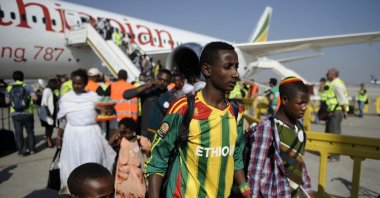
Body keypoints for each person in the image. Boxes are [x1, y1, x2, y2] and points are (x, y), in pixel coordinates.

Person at [146, 42, 250, 198]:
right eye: (228, 67)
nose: (235, 73)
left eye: (236, 67)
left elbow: (235, 156)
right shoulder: (182, 109)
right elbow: (157, 159)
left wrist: (245, 189)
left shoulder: (235, 113)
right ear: (207, 70)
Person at [247, 76, 314, 197]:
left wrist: (308, 191)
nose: (304, 108)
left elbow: (299, 163)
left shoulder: (298, 126)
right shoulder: (268, 127)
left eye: (306, 103)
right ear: (285, 100)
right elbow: (255, 170)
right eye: (300, 103)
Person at [56, 69, 116, 192]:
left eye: (80, 83)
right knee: (72, 164)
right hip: (72, 135)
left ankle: (93, 190)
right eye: (74, 83)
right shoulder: (66, 98)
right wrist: (59, 137)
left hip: (91, 134)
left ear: (85, 83)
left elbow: (106, 113)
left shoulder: (93, 97)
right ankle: (75, 191)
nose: (77, 86)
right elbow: (62, 121)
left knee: (92, 162)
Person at [123, 69, 175, 141]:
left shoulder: (171, 98)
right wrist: (146, 86)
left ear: (169, 82)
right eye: (160, 79)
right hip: (144, 135)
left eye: (165, 81)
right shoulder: (147, 91)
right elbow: (126, 95)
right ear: (157, 78)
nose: (162, 82)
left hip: (159, 136)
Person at [109, 117, 151, 198]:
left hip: (138, 177)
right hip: (122, 179)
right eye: (125, 133)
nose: (127, 135)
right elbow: (109, 143)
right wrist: (118, 131)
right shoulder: (121, 140)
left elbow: (149, 149)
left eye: (129, 132)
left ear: (133, 130)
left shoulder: (140, 140)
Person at [5, 71, 37, 156]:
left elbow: (7, 101)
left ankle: (22, 151)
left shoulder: (9, 88)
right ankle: (32, 149)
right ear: (23, 77)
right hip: (27, 113)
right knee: (30, 131)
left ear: (13, 78)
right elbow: (35, 97)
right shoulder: (27, 86)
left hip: (15, 114)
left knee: (18, 133)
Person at [325, 68, 348, 139]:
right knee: (330, 131)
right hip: (333, 111)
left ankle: (334, 149)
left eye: (328, 74)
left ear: (333, 74)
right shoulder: (333, 84)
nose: (326, 75)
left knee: (333, 132)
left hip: (336, 111)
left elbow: (341, 99)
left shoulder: (336, 84)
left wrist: (345, 111)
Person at [41, 78, 59, 148]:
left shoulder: (51, 90)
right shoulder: (47, 90)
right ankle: (48, 141)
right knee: (49, 128)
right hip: (48, 113)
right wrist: (48, 114)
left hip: (51, 112)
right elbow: (44, 103)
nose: (57, 85)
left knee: (50, 128)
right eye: (56, 84)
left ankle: (49, 140)